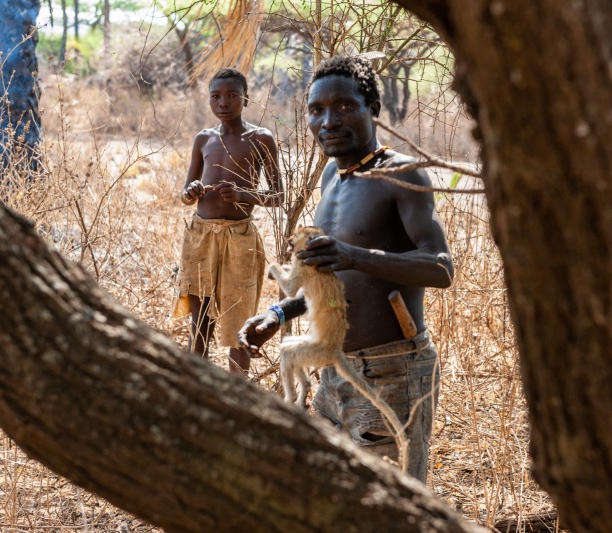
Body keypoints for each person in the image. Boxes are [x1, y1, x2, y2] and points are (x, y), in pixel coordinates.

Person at [238, 56, 453, 482]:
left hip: (391, 370)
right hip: (333, 368)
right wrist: (278, 314)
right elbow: (330, 281)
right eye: (316, 111)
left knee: (389, 511)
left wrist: (356, 256)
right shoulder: (332, 179)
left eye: (344, 106)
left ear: (372, 109)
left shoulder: (401, 174)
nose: (328, 121)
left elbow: (441, 268)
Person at [172, 68, 283, 376]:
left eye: (232, 96)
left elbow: (278, 195)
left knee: (240, 319)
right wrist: (191, 192)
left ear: (245, 99)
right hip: (200, 237)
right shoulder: (204, 139)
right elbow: (184, 193)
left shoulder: (261, 138)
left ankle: (238, 391)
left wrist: (243, 194)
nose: (223, 102)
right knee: (200, 318)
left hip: (240, 237)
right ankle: (198, 385)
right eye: (216, 96)